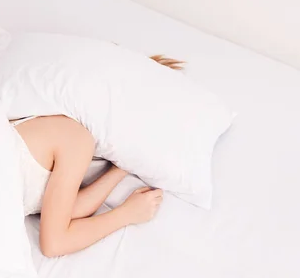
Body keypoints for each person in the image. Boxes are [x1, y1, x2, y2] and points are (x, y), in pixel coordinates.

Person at [13, 55, 184, 258]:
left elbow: (60, 210)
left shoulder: (53, 120)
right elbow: (54, 244)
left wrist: (120, 170)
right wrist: (125, 214)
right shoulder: (75, 137)